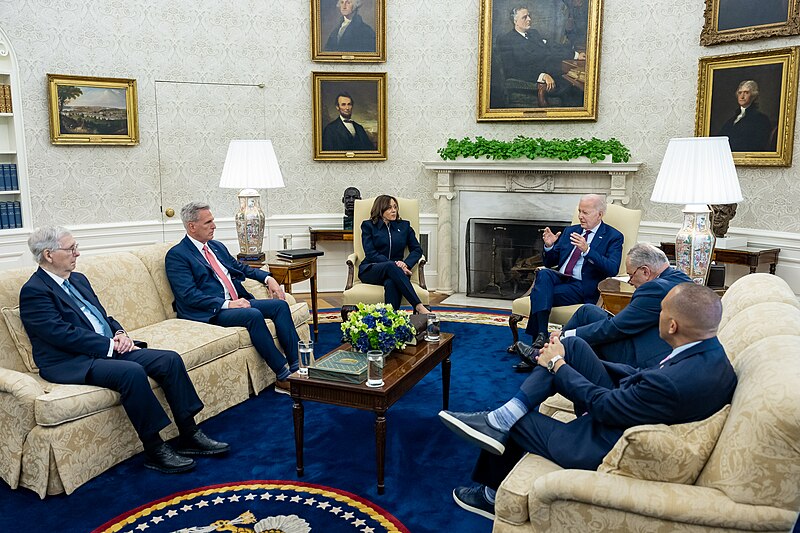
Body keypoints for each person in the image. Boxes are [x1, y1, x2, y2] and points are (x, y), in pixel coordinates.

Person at [439, 283, 737, 520]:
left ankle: (490, 495)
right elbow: (644, 384)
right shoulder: (714, 356)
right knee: (574, 346)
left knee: (523, 419)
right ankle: (502, 415)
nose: (657, 315)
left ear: (672, 326)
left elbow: (606, 406)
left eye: (661, 311)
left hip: (600, 442)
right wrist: (570, 361)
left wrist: (558, 366)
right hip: (631, 412)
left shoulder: (672, 382)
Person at [19, 226, 229, 474]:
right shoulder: (34, 291)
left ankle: (189, 433)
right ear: (48, 255)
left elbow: (102, 316)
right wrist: (109, 345)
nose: (77, 253)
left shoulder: (78, 279)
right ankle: (154, 448)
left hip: (106, 347)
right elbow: (61, 334)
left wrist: (119, 333)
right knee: (131, 372)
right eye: (71, 248)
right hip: (70, 360)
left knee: (169, 360)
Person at [165, 202, 300, 395]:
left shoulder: (215, 247)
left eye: (213, 221)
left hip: (237, 302)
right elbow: (188, 295)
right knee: (252, 315)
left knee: (279, 305)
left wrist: (268, 278)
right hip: (210, 312)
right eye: (208, 222)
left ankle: (298, 367)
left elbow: (241, 268)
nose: (214, 226)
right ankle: (282, 375)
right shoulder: (177, 255)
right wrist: (227, 304)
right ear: (192, 226)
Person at [515, 243, 691, 371]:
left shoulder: (655, 289)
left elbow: (615, 328)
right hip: (646, 339)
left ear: (646, 271)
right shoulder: (679, 277)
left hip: (639, 356)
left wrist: (564, 334)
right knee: (587, 311)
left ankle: (544, 356)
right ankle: (547, 352)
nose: (630, 282)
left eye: (631, 275)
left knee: (576, 339)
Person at [522, 194, 623, 352]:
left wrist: (587, 250)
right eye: (579, 211)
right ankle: (542, 335)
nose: (580, 216)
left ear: (600, 214)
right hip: (560, 279)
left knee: (538, 293)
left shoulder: (613, 237)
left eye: (585, 213)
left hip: (582, 286)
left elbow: (612, 268)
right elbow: (550, 262)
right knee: (543, 274)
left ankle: (537, 342)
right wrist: (549, 247)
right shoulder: (571, 230)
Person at [495, 5, 584, 106]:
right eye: (525, 17)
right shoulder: (507, 40)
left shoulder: (534, 34)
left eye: (529, 16)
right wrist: (541, 76)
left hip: (556, 74)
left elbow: (552, 48)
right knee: (575, 91)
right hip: (535, 82)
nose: (529, 19)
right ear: (515, 21)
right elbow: (512, 70)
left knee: (579, 86)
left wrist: (575, 55)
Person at [359, 195, 428, 315]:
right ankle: (419, 306)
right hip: (372, 269)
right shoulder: (368, 226)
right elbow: (370, 253)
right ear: (380, 209)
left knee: (391, 282)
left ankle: (390, 320)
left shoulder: (404, 226)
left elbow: (417, 250)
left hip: (398, 272)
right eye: (389, 207)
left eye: (395, 207)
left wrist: (406, 264)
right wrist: (395, 264)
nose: (394, 210)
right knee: (391, 267)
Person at [715, 80, 774, 152]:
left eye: (746, 92)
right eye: (740, 93)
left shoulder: (761, 119)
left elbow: (758, 145)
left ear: (753, 96)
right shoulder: (731, 120)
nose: (742, 96)